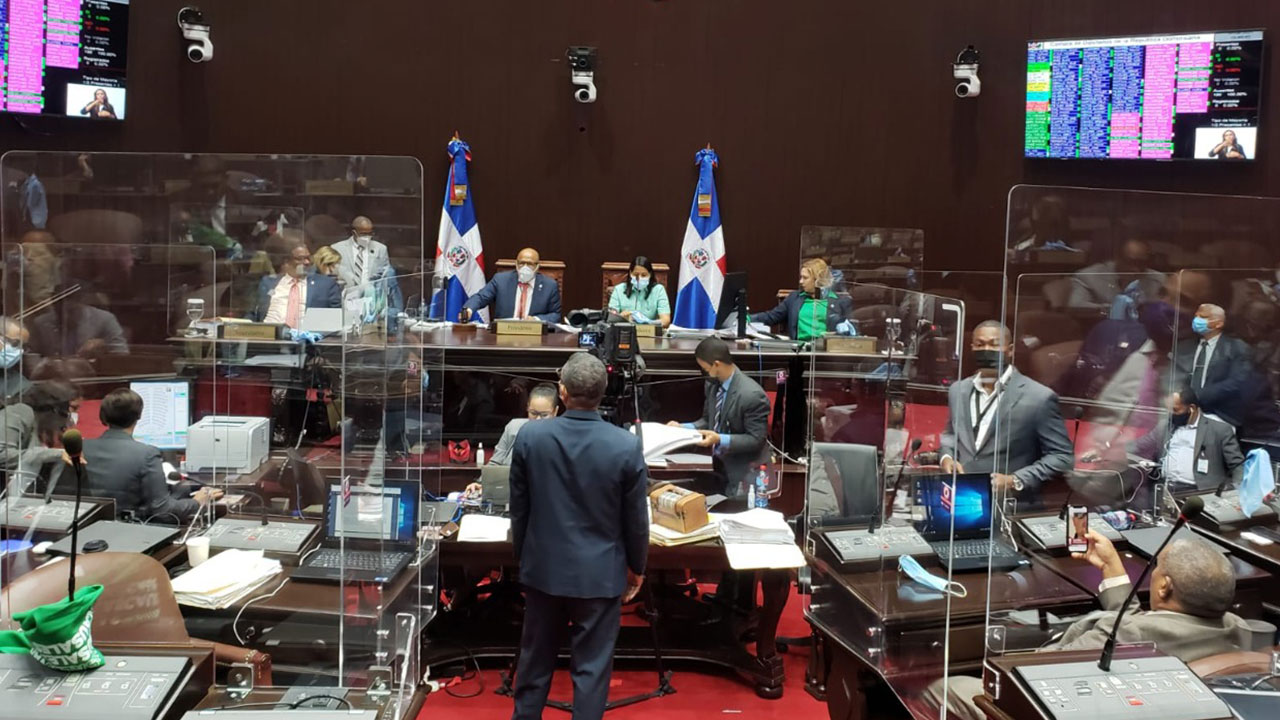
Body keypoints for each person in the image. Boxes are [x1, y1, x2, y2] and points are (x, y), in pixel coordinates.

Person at [927, 534, 1252, 720]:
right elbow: (1154, 627)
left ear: (1164, 587)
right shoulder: (1240, 631)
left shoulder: (1121, 635)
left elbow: (1029, 675)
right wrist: (1112, 568)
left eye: (1156, 568)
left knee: (942, 687)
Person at [509, 352, 648, 720]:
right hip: (600, 575)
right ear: (602, 393)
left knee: (534, 665)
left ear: (562, 392)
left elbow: (519, 509)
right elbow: (636, 519)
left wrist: (524, 558)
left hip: (543, 570)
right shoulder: (625, 444)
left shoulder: (530, 436)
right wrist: (637, 567)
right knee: (591, 671)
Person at [939, 321, 1073, 504]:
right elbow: (950, 435)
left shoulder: (1039, 397)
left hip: (1011, 505)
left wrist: (1014, 480)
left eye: (994, 344)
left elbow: (1062, 457)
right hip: (961, 499)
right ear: (971, 348)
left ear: (1010, 350)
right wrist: (946, 458)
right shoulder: (958, 390)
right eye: (980, 344)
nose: (986, 350)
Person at [83, 388, 221, 523]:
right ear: (139, 416)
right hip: (132, 530)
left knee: (181, 489)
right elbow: (163, 511)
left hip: (90, 526)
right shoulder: (146, 454)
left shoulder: (82, 448)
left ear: (103, 416)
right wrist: (198, 502)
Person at [668, 336, 771, 496]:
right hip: (719, 469)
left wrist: (719, 439)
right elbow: (708, 420)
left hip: (746, 475)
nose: (704, 373)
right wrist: (682, 428)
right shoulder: (712, 384)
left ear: (716, 364)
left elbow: (756, 439)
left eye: (705, 368)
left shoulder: (752, 395)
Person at [1175, 303, 1280, 437]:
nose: (1197, 320)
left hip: (1230, 426)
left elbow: (1237, 385)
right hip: (1182, 422)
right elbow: (1173, 382)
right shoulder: (1184, 349)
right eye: (1197, 316)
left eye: (1203, 317)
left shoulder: (1241, 355)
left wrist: (1193, 398)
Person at [1121, 387, 1245, 493]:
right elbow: (1141, 444)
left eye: (1175, 410)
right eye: (1169, 409)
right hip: (1166, 488)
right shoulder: (1165, 426)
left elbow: (1237, 465)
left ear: (1192, 408)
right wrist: (1117, 449)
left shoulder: (1219, 430)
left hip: (1200, 491)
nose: (1171, 414)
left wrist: (1236, 492)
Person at [463, 383, 559, 497]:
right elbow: (496, 462)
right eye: (533, 413)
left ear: (555, 411)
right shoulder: (514, 428)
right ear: (527, 407)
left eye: (544, 415)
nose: (538, 419)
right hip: (509, 496)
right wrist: (481, 483)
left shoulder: (561, 437)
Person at [751, 258, 852, 340]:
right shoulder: (794, 298)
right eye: (801, 277)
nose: (800, 281)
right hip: (800, 351)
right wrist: (746, 318)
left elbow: (852, 331)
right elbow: (771, 317)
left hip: (826, 352)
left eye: (805, 278)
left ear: (818, 280)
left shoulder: (840, 302)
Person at [251, 236, 342, 327]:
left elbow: (336, 319)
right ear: (287, 261)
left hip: (307, 334)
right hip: (270, 332)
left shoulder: (325, 284)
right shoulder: (268, 282)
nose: (307, 262)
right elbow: (254, 313)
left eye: (308, 258)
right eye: (300, 258)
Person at [0, 380, 79, 479]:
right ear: (56, 409)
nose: (70, 415)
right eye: (71, 409)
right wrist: (57, 454)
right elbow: (2, 454)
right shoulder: (19, 413)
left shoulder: (43, 422)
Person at [461, 247, 561, 323]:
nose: (525, 267)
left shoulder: (550, 286)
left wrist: (536, 319)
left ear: (537, 266)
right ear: (516, 264)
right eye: (522, 263)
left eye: (530, 264)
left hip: (535, 335)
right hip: (503, 333)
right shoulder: (501, 280)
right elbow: (481, 297)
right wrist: (469, 310)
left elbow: (556, 315)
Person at [1066, 238, 1164, 312]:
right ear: (1117, 258)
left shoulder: (1158, 280)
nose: (1136, 269)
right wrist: (1115, 308)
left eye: (1141, 263)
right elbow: (1075, 305)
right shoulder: (1088, 276)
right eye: (1130, 262)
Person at [607, 256, 672, 327]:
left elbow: (666, 321)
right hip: (625, 331)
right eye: (636, 275)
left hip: (649, 331)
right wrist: (621, 317)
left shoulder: (659, 290)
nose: (639, 279)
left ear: (650, 274)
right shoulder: (618, 290)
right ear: (630, 273)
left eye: (643, 275)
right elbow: (611, 318)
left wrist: (647, 322)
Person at [331, 216, 391, 289]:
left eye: (370, 233)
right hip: (345, 292)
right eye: (363, 234)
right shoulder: (337, 249)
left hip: (371, 293)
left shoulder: (380, 249)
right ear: (354, 233)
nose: (367, 236)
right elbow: (332, 276)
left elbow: (386, 275)